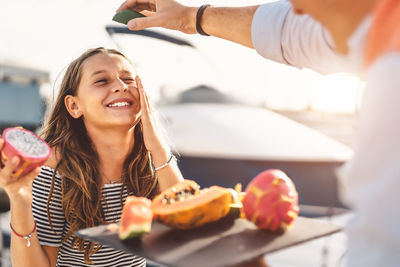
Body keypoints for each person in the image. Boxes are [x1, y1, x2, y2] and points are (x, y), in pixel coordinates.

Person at [115, 0, 400, 266]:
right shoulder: (378, 29)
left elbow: (380, 253)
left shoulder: (392, 76)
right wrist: (189, 18)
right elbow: (289, 30)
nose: (296, 9)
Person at [0, 47, 184, 266]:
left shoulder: (155, 160)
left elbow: (187, 227)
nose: (120, 86)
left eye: (128, 78)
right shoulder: (54, 169)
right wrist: (20, 202)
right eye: (101, 81)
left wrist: (159, 148)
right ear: (74, 106)